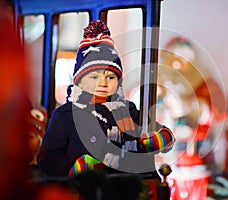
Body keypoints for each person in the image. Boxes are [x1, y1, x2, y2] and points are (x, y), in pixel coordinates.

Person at [37, 20, 175, 177]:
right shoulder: (65, 115)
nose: (102, 83)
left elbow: (161, 133)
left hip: (127, 185)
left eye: (110, 77)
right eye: (94, 77)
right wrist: (75, 168)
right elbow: (46, 158)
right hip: (84, 189)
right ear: (79, 81)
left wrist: (159, 139)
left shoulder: (127, 110)